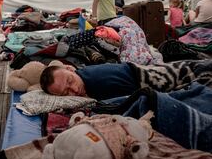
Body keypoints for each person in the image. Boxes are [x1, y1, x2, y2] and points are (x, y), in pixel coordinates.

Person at [40, 60, 212, 101]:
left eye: (70, 81)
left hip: (159, 76)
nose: (75, 90)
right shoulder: (84, 74)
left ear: (71, 68)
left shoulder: (96, 81)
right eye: (66, 93)